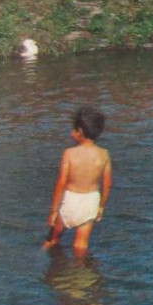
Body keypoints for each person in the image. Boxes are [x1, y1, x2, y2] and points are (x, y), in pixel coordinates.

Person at [43, 106, 113, 254]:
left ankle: (42, 259)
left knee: (53, 238)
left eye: (73, 129)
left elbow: (61, 183)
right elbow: (107, 185)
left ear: (80, 132)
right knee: (81, 245)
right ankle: (82, 273)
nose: (71, 133)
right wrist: (101, 207)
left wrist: (54, 211)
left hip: (71, 200)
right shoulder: (104, 154)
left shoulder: (69, 153)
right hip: (91, 201)